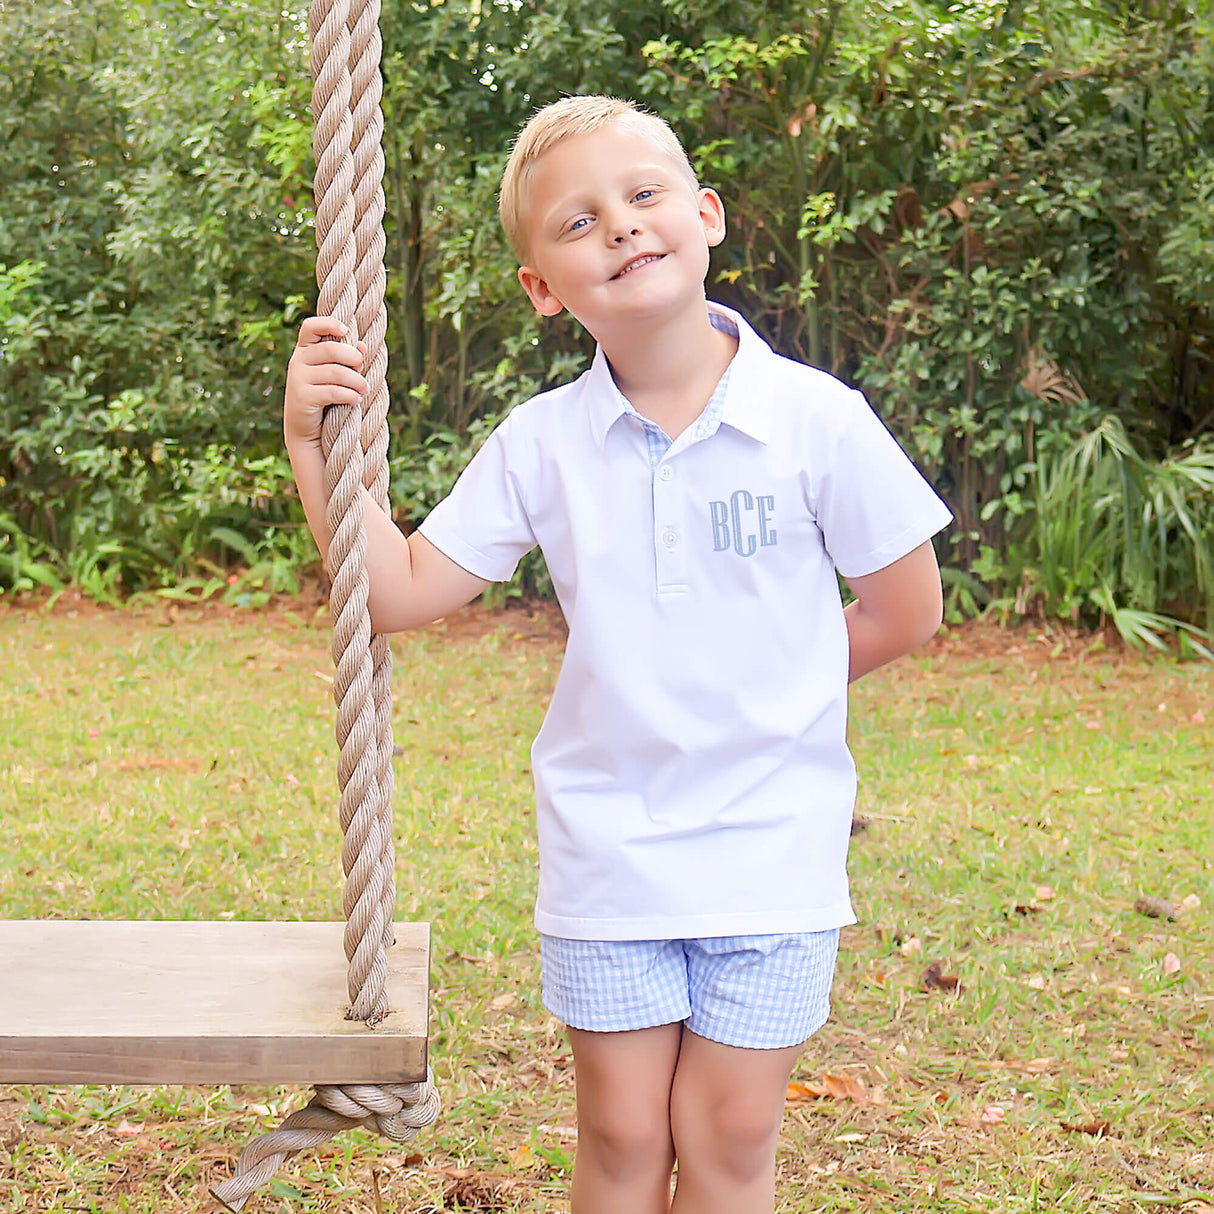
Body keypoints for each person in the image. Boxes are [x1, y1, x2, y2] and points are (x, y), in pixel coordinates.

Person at [284, 95, 951, 1214]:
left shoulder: (816, 419)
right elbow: (394, 591)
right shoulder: (542, 444)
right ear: (544, 287)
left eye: (643, 196)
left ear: (706, 215)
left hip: (769, 848)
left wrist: (764, 687)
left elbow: (903, 609)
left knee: (730, 1131)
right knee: (623, 1129)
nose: (622, 226)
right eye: (579, 221)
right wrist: (313, 444)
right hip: (610, 850)